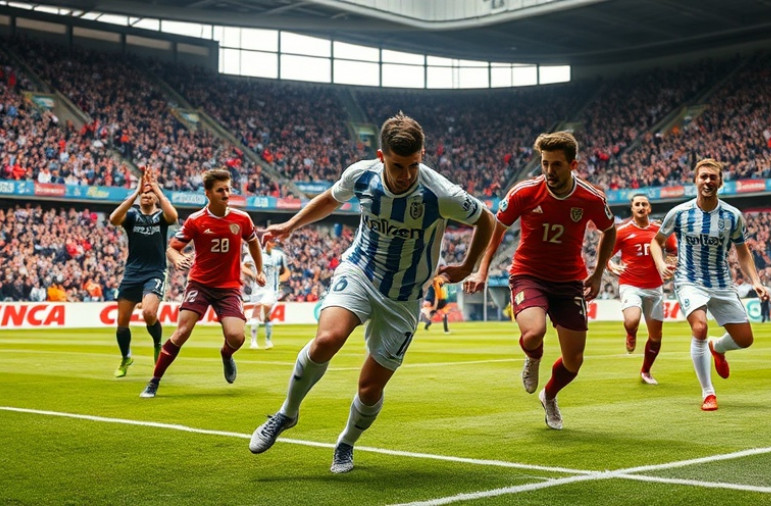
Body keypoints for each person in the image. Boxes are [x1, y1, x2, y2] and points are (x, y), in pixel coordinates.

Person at [248, 113, 495, 473]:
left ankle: (345, 444)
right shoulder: (361, 174)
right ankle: (286, 413)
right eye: (398, 165)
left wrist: (470, 265)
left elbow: (485, 219)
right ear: (382, 156)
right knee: (327, 339)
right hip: (360, 272)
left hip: (405, 295)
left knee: (369, 389)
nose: (406, 174)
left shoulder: (439, 192)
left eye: (413, 165)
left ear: (421, 155)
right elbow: (331, 199)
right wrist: (290, 225)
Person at [463, 131, 616, 430]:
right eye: (544, 163)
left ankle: (549, 395)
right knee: (533, 333)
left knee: (574, 361)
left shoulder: (590, 197)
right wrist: (482, 270)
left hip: (570, 280)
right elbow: (497, 229)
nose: (548, 171)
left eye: (556, 164)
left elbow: (609, 230)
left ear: (573, 165)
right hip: (528, 275)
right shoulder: (524, 192)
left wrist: (598, 273)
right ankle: (532, 358)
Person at [649, 158, 769, 412]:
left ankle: (718, 347)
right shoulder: (680, 213)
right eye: (703, 176)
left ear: (720, 182)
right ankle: (708, 392)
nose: (707, 181)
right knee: (700, 328)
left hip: (722, 283)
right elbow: (656, 241)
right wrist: (660, 264)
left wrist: (756, 282)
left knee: (745, 340)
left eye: (712, 177)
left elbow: (743, 253)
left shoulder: (733, 216)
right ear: (695, 180)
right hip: (689, 281)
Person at [139, 168, 265, 398]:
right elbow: (173, 248)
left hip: (229, 288)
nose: (226, 194)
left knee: (237, 337)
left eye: (228, 189)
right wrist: (177, 259)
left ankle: (226, 355)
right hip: (200, 285)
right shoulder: (196, 221)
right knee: (182, 332)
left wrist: (260, 270)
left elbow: (254, 243)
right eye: (220, 190)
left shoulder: (242, 219)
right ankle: (154, 381)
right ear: (208, 193)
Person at [108, 168, 178, 378]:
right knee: (122, 324)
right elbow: (113, 219)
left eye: (150, 193)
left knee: (148, 313)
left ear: (156, 196)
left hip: (154, 272)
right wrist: (135, 192)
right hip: (132, 273)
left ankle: (157, 344)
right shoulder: (132, 216)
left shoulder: (161, 217)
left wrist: (155, 187)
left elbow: (173, 216)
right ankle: (125, 357)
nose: (146, 196)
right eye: (144, 194)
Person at [607, 194, 676, 385]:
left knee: (656, 336)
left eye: (644, 204)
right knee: (632, 320)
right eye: (637, 204)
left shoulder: (659, 230)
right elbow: (607, 254)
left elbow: (672, 250)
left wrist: (670, 264)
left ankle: (646, 371)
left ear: (649, 208)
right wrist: (611, 266)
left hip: (655, 287)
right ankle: (631, 333)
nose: (640, 207)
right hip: (631, 284)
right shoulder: (622, 231)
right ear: (632, 208)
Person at [242, 238, 289, 349]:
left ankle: (267, 340)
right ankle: (254, 342)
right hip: (257, 289)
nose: (273, 243)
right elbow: (243, 267)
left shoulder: (279, 255)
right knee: (257, 311)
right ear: (265, 242)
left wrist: (278, 278)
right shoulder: (253, 253)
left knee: (266, 313)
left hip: (271, 290)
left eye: (274, 242)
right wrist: (255, 276)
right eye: (271, 241)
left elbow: (286, 272)